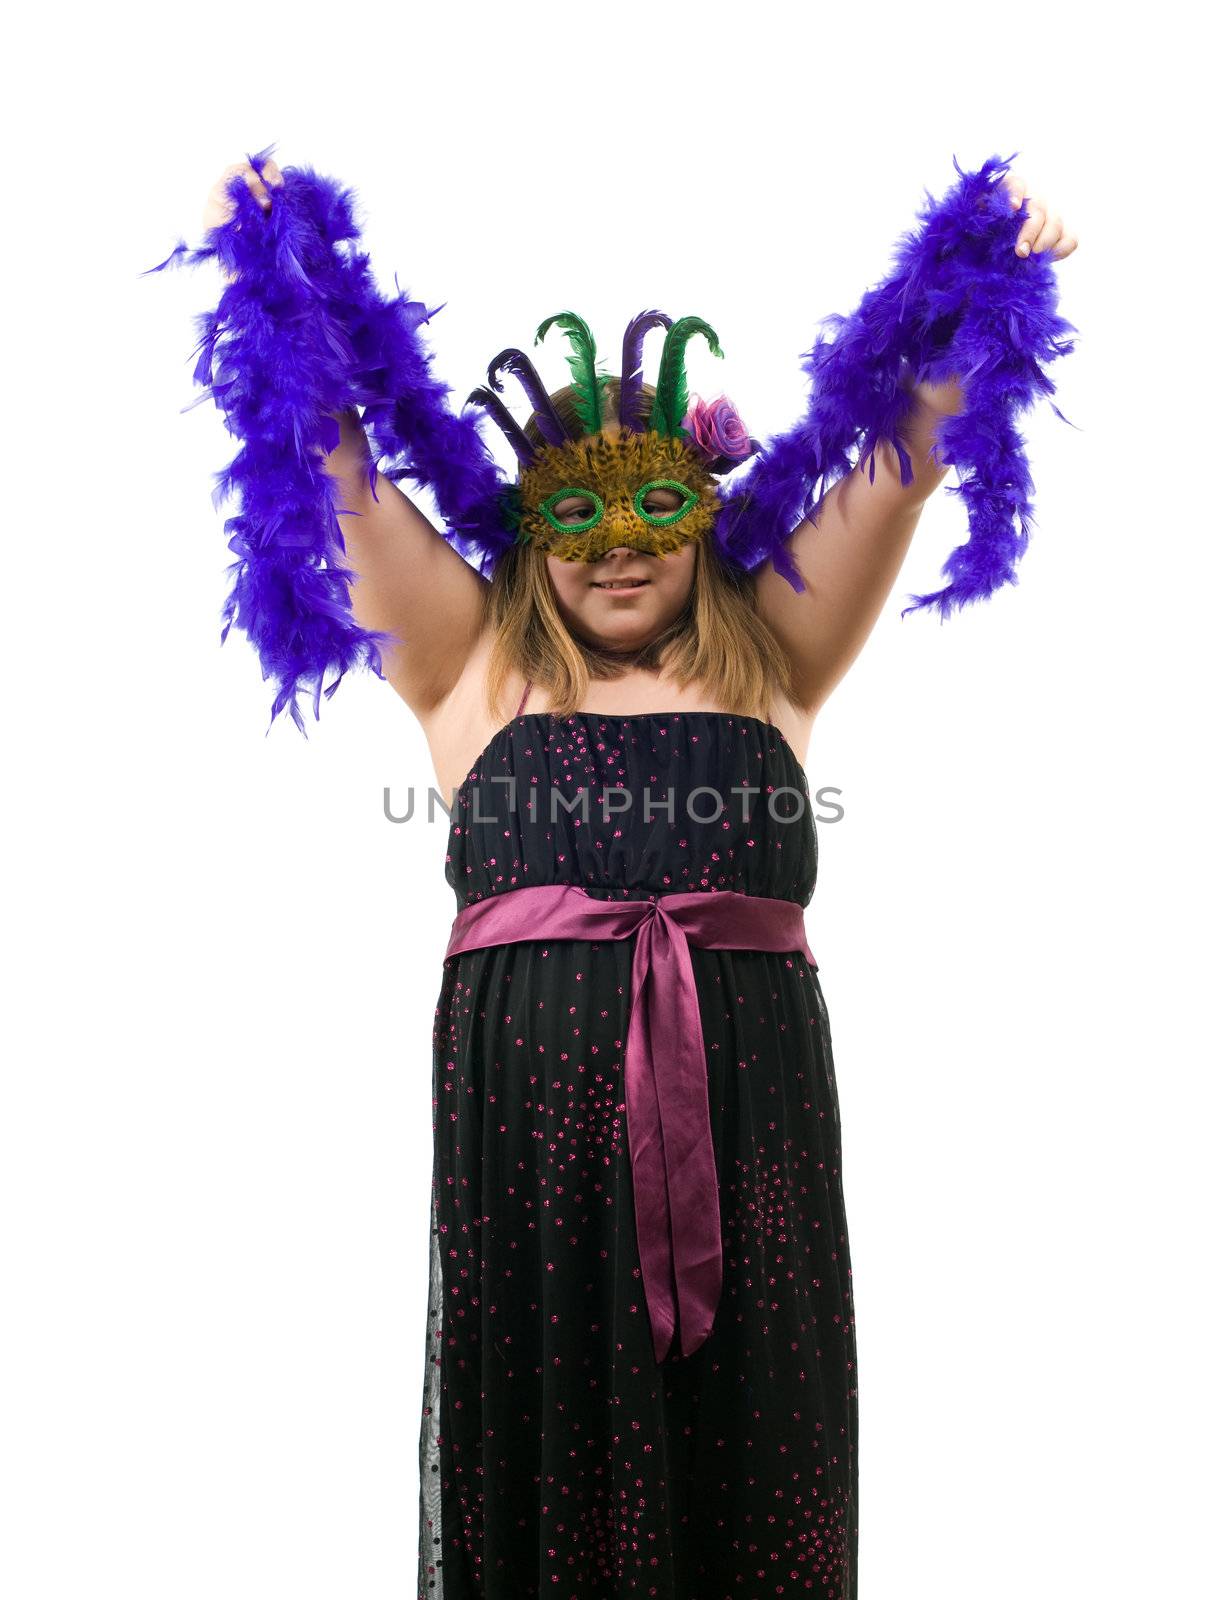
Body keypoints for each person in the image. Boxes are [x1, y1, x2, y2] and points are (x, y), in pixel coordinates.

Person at [184, 153, 1078, 1599]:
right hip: (529, 1175)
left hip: (749, 1152)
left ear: (708, 514)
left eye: (654, 504)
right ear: (525, 532)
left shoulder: (777, 660)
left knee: (751, 1470)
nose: (614, 545)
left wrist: (1000, 261)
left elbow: (914, 448)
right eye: (575, 515)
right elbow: (330, 455)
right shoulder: (474, 669)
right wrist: (277, 253)